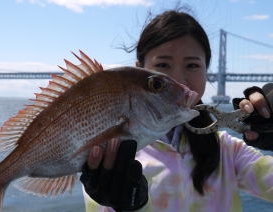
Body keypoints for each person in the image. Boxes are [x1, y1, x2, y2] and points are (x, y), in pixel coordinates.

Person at [80, 9, 273, 212]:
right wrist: (132, 206)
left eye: (192, 65)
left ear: (206, 71)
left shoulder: (227, 150)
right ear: (138, 71)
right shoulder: (110, 152)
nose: (178, 79)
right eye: (163, 65)